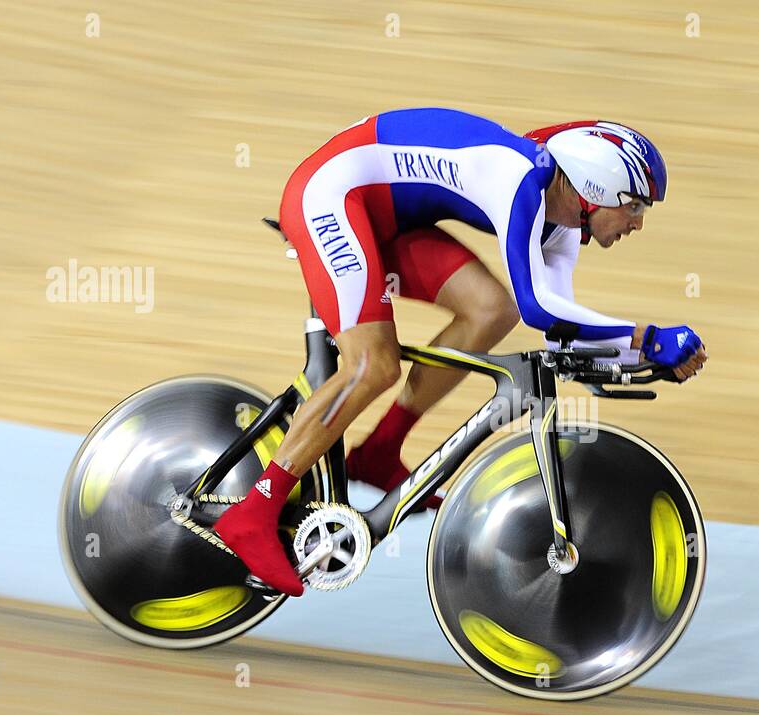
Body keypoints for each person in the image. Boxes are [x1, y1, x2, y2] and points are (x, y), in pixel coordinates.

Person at [215, 108, 708, 596]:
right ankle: (255, 510)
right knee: (373, 364)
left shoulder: (560, 226)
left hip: (387, 217)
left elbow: (560, 328)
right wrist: (648, 337)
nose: (637, 224)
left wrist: (641, 362)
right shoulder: (520, 182)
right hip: (332, 197)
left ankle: (381, 450)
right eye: (636, 207)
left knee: (492, 310)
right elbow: (540, 309)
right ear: (596, 189)